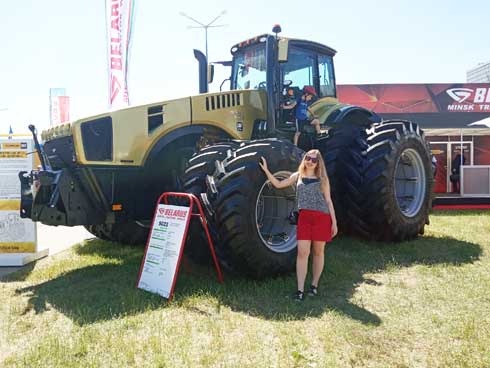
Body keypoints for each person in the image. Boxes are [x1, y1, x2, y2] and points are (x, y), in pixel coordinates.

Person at [259, 149, 337, 301]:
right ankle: (300, 290)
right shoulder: (297, 176)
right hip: (304, 218)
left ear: (318, 163)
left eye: (314, 160)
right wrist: (266, 170)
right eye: (308, 158)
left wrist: (334, 222)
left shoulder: (323, 180)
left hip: (322, 217)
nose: (310, 161)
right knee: (302, 253)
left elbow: (328, 201)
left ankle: (314, 286)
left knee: (318, 252)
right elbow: (279, 184)